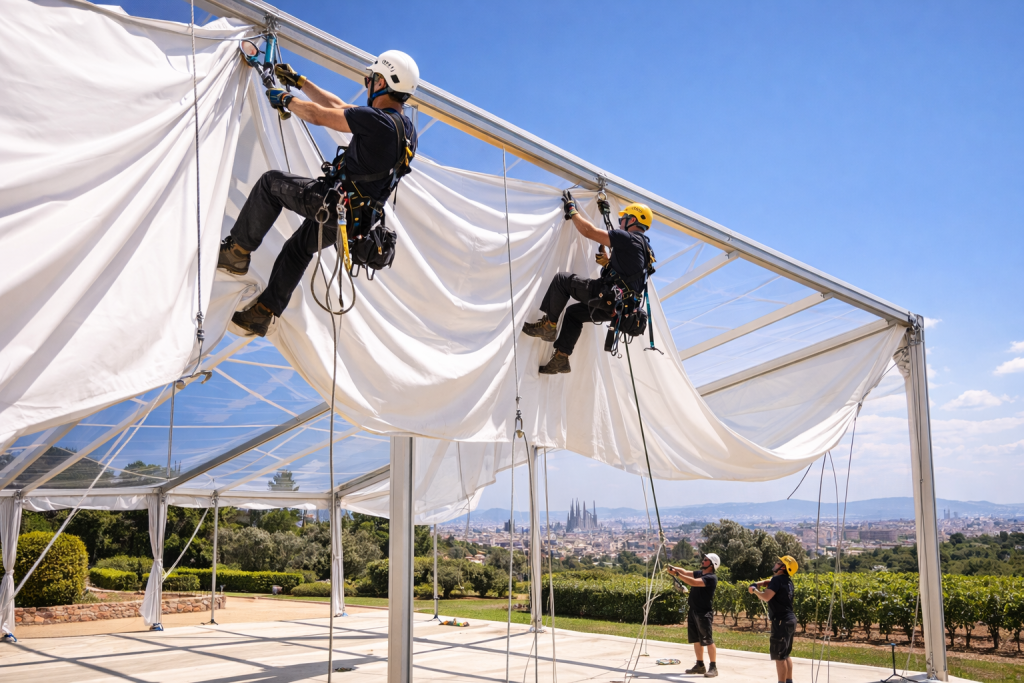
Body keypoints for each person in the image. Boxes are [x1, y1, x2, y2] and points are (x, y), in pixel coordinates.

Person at [218, 50, 419, 336]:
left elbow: (318, 115)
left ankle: (237, 252)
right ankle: (263, 313)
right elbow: (339, 106)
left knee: (271, 184)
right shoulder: (405, 130)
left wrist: (287, 99)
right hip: (354, 222)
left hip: (334, 203)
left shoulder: (378, 122)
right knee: (298, 249)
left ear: (382, 81)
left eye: (370, 79)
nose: (367, 84)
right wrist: (300, 82)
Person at [522, 192, 655, 373]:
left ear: (633, 220)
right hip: (620, 308)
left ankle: (549, 325)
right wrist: (608, 263)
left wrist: (572, 210)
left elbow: (589, 232)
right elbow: (631, 275)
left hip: (609, 295)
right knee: (573, 313)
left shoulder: (629, 239)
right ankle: (561, 357)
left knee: (562, 280)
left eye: (623, 218)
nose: (620, 222)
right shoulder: (646, 248)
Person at [668, 552, 721, 677]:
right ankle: (700, 665)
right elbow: (686, 572)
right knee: (696, 640)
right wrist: (674, 568)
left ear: (712, 564)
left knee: (708, 640)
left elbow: (693, 582)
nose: (703, 561)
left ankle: (713, 667)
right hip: (693, 611)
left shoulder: (711, 578)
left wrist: (676, 574)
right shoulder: (700, 573)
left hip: (703, 612)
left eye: (706, 560)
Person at [749, 555, 799, 683]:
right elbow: (769, 581)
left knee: (779, 657)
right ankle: (789, 681)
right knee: (786, 654)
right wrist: (758, 583)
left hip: (781, 621)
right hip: (790, 620)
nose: (776, 563)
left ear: (783, 567)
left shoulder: (777, 581)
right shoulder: (787, 581)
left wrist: (754, 589)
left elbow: (766, 597)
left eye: (779, 562)